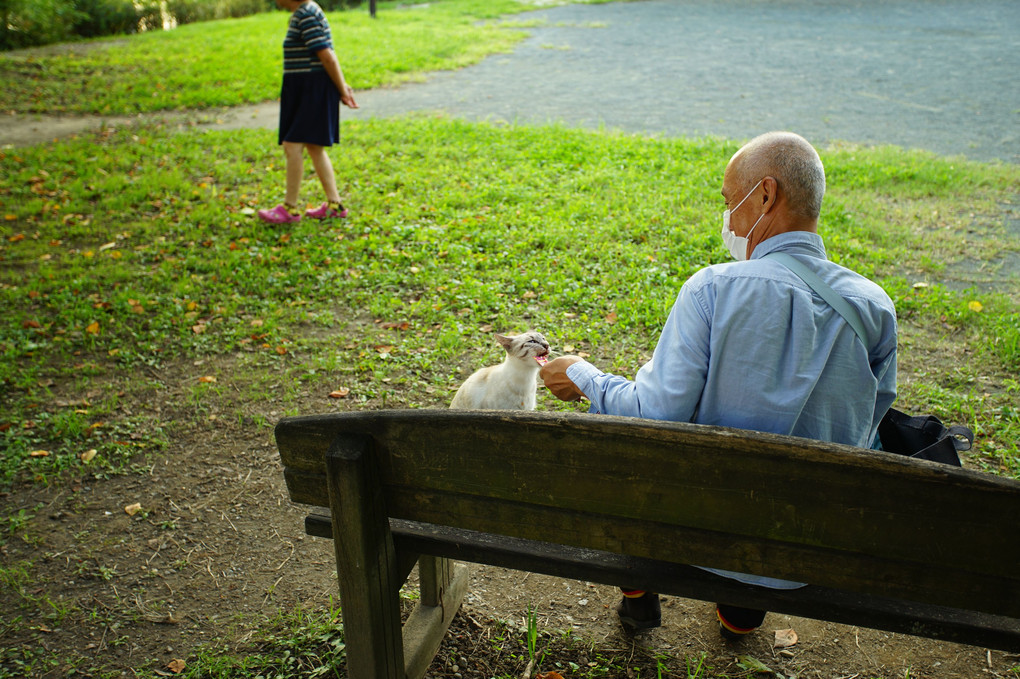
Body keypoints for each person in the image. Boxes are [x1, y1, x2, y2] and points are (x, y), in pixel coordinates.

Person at [540, 131, 898, 638]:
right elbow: (869, 424)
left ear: (766, 196)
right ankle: (740, 614)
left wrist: (582, 375)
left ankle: (638, 596)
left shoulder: (713, 289)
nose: (728, 219)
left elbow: (652, 413)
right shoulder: (874, 307)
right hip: (807, 548)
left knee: (628, 460)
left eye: (731, 203)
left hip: (698, 532)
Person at [258, 0, 358, 225]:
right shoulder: (303, 12)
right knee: (314, 146)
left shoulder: (306, 13)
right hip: (306, 88)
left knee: (292, 144)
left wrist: (342, 89)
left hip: (313, 88)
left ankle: (290, 208)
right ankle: (334, 204)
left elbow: (327, 56)